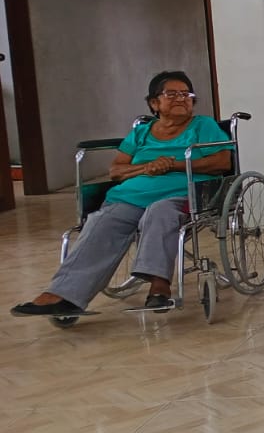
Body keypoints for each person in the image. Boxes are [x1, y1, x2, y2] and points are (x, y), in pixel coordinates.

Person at [12, 71, 233, 319]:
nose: (181, 98)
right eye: (171, 94)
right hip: (129, 197)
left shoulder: (204, 125)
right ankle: (63, 296)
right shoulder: (141, 133)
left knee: (159, 212)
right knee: (102, 221)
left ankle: (159, 285)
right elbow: (116, 171)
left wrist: (173, 165)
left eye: (186, 94)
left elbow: (222, 162)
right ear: (154, 103)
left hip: (182, 195)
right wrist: (147, 168)